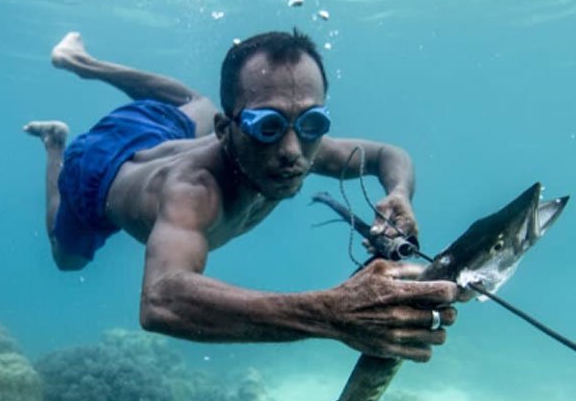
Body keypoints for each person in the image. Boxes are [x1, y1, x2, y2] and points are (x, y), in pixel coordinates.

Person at [24, 30, 456, 362]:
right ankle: (54, 144)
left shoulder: (295, 142)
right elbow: (161, 301)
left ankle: (81, 62)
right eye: (267, 126)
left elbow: (387, 155)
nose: (291, 152)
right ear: (226, 130)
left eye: (312, 123)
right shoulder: (194, 192)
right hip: (94, 172)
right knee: (67, 258)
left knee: (192, 101)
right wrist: (332, 312)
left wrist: (399, 194)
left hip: (155, 127)